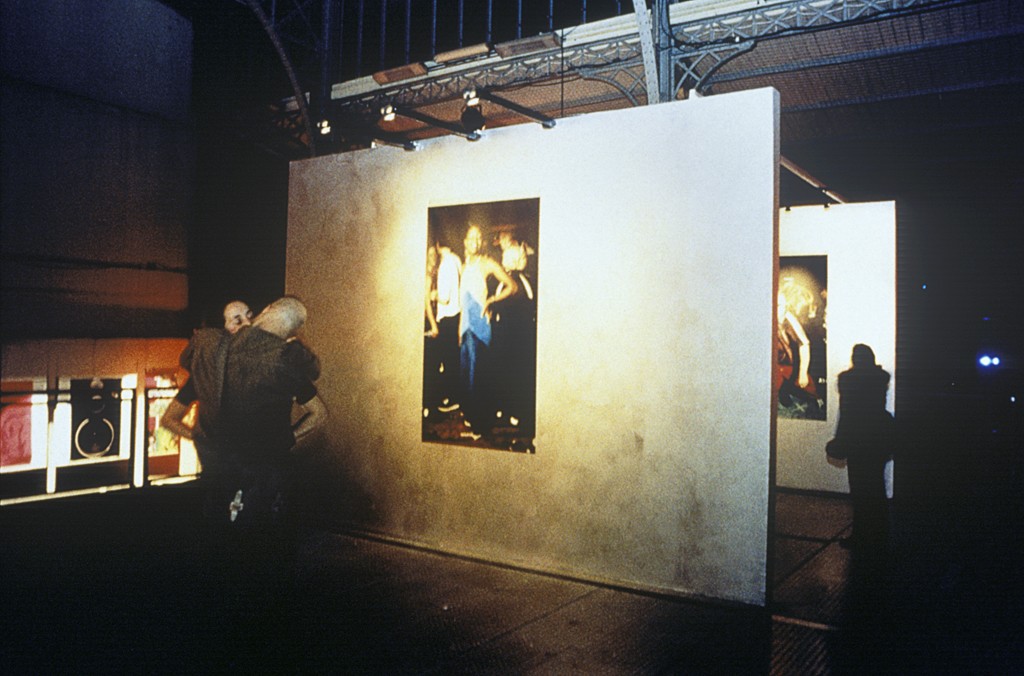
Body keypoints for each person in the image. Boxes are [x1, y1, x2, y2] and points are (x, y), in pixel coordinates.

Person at [458, 224, 516, 438]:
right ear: (465, 241)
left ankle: (480, 426)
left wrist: (491, 300)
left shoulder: (487, 264)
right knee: (466, 377)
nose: (474, 242)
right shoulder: (465, 266)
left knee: (477, 378)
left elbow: (512, 286)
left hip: (480, 327)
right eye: (470, 238)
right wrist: (458, 330)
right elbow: (464, 302)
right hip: (465, 327)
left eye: (478, 238)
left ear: (481, 243)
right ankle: (473, 419)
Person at [835, 344, 893, 555]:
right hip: (878, 439)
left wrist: (840, 441)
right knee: (877, 489)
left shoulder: (847, 380)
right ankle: (881, 535)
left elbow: (846, 413)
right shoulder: (880, 378)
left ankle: (861, 536)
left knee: (859, 491)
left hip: (858, 440)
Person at [423, 241, 462, 417]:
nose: (433, 258)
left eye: (434, 254)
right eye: (429, 255)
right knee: (432, 364)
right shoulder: (429, 275)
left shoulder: (439, 270)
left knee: (438, 363)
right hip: (431, 324)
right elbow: (427, 304)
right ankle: (430, 404)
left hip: (438, 323)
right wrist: (433, 324)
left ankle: (437, 402)